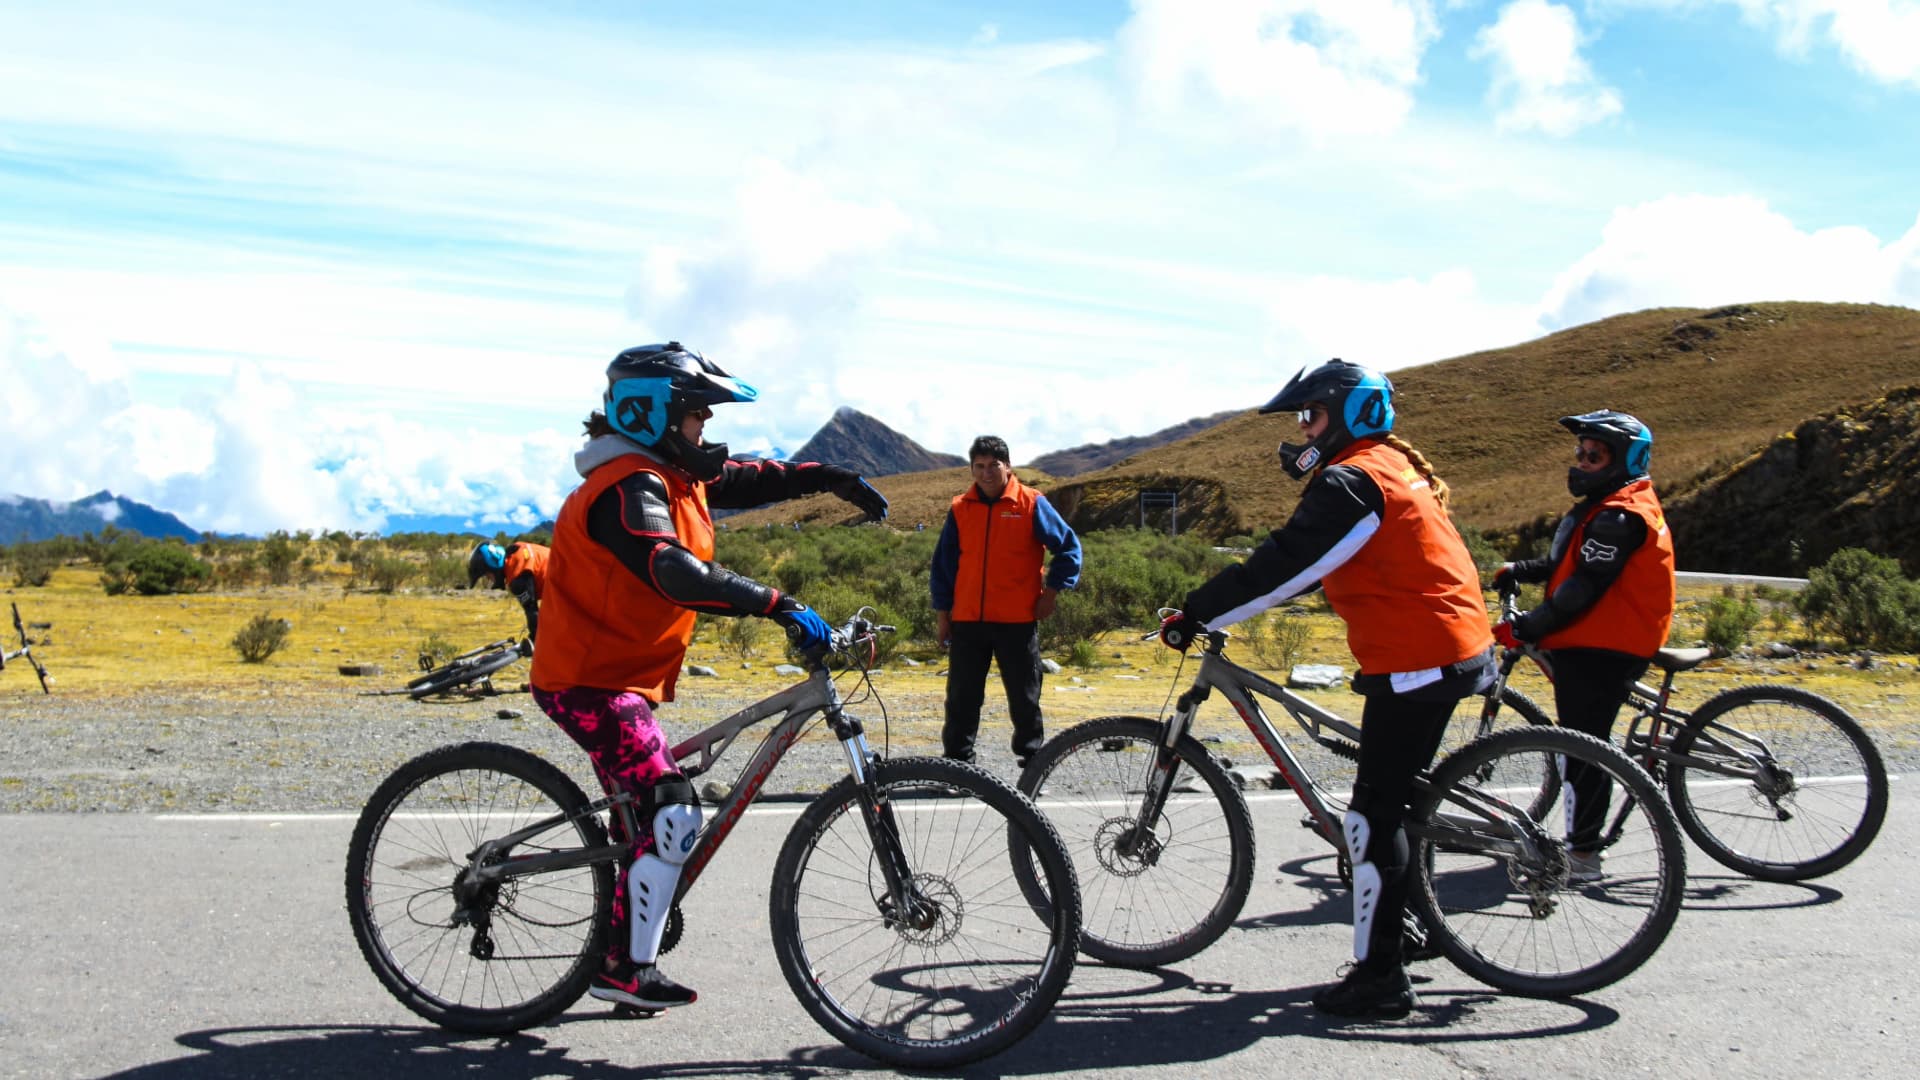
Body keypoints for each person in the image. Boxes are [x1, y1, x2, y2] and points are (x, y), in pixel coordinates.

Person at [530, 341, 889, 1011]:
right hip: (587, 681)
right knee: (672, 811)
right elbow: (672, 570)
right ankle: (624, 970)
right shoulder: (628, 486)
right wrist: (778, 603)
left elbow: (754, 478)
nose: (706, 430)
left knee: (645, 815)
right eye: (698, 416)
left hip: (618, 677)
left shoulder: (670, 472)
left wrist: (829, 477)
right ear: (653, 415)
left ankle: (621, 935)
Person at [1157, 359, 1494, 1020]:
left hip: (1420, 656)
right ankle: (1401, 929)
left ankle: (1380, 979)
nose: (1301, 429)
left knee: (1371, 816)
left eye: (1309, 414)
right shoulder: (1388, 465)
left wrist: (1198, 613)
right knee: (1394, 804)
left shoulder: (1351, 480)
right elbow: (1316, 568)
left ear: (1348, 413)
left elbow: (1285, 564)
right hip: (1444, 646)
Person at [1492, 410, 1675, 884]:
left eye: (1595, 454)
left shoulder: (1619, 516)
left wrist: (1528, 627)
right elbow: (1569, 567)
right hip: (1602, 637)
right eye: (1581, 452)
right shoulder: (1607, 506)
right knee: (1583, 739)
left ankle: (1584, 855)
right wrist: (1521, 570)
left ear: (1625, 460)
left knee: (1583, 747)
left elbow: (1583, 589)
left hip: (1603, 644)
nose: (1583, 461)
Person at [930, 435, 1081, 768]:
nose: (986, 473)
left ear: (1007, 466)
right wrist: (944, 616)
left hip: (1017, 621)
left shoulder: (1031, 503)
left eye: (993, 465)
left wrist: (1051, 594)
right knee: (961, 700)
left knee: (1025, 698)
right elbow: (943, 566)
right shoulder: (960, 509)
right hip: (968, 621)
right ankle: (958, 765)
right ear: (971, 469)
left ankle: (1033, 763)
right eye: (979, 466)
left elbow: (1069, 548)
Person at [467, 540, 549, 640]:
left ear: (493, 568)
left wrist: (535, 640)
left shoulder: (517, 577)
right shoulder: (517, 549)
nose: (489, 580)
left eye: (488, 575)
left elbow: (532, 612)